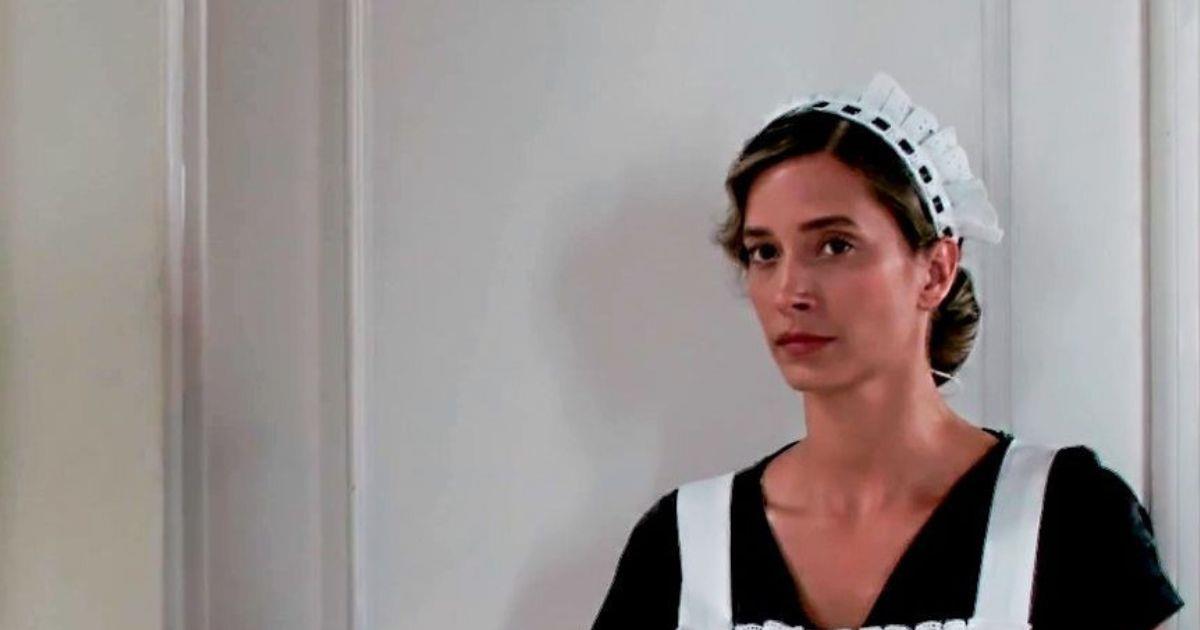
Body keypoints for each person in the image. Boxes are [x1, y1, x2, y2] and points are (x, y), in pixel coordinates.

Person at [591, 72, 1185, 630]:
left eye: (835, 245)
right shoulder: (681, 545)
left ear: (936, 270)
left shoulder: (1068, 518)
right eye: (765, 252)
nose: (790, 291)